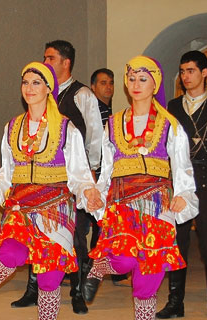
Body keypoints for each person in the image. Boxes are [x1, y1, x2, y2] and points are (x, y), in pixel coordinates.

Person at [0, 62, 102, 320]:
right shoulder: (12, 127)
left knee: (50, 277)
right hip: (22, 206)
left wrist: (89, 190)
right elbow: (7, 172)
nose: (29, 88)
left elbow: (78, 173)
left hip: (55, 209)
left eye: (36, 82)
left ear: (49, 88)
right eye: (25, 82)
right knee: (9, 254)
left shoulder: (67, 128)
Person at [81, 56, 198, 320]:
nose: (135, 84)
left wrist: (182, 195)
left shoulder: (170, 125)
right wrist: (97, 193)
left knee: (147, 281)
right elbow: (107, 167)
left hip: (157, 206)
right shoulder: (114, 122)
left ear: (155, 84)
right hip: (122, 205)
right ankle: (100, 266)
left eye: (143, 79)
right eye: (131, 78)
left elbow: (183, 168)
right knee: (122, 260)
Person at [11, 40, 103, 314]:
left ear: (66, 62)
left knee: (72, 235)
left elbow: (95, 134)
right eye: (44, 58)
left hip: (72, 177)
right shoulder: (37, 92)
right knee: (35, 231)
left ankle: (76, 290)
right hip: (38, 178)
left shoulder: (82, 94)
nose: (45, 62)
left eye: (50, 58)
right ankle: (32, 289)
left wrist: (91, 173)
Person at [157, 50, 207, 320]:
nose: (185, 76)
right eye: (182, 71)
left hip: (206, 181)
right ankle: (175, 302)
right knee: (177, 242)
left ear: (204, 73)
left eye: (191, 70)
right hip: (177, 182)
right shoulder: (172, 106)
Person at [90, 68, 130, 286]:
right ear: (93, 87)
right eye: (103, 83)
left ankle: (108, 268)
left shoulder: (111, 112)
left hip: (108, 172)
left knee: (106, 222)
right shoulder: (94, 111)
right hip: (95, 170)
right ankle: (99, 267)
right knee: (101, 221)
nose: (108, 87)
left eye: (111, 83)